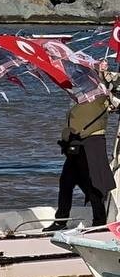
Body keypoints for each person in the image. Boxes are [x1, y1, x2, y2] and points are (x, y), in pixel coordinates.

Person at [47, 94, 114, 231]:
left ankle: (99, 222)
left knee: (93, 183)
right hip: (75, 143)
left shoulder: (101, 93)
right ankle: (61, 220)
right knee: (66, 182)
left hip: (92, 142)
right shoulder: (79, 94)